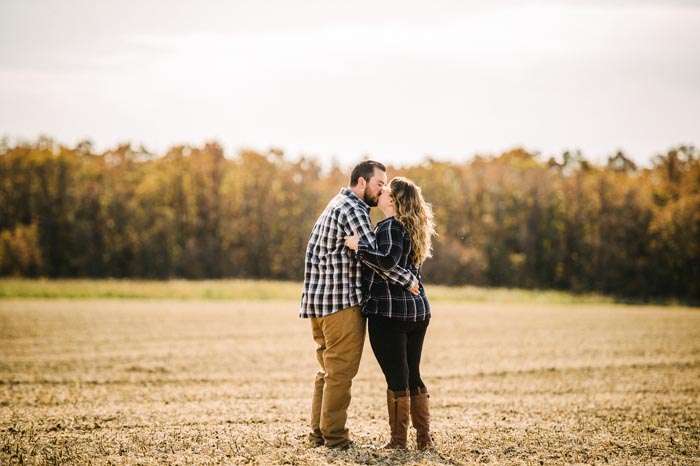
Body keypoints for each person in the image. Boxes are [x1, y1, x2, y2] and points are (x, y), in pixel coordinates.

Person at [299, 161, 420, 450]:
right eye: (380, 184)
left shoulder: (337, 203)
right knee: (340, 373)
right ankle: (336, 439)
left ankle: (319, 433)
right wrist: (408, 279)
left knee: (328, 372)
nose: (383, 190)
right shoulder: (353, 210)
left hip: (320, 305)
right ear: (362, 183)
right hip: (341, 305)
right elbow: (376, 260)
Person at [344, 176, 437, 450]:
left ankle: (398, 442)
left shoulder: (390, 227)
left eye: (385, 191)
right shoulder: (412, 227)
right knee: (412, 375)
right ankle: (424, 439)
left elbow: (386, 261)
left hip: (390, 313)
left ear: (394, 200)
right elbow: (400, 266)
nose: (380, 193)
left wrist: (358, 247)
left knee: (397, 377)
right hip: (418, 312)